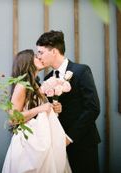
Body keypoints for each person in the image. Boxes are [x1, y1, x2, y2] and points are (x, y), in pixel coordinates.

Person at [36, 30, 101, 173]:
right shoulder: (47, 80)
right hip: (56, 147)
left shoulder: (81, 71)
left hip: (82, 143)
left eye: (40, 52)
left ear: (53, 51)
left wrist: (69, 137)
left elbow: (93, 108)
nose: (38, 56)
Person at [2, 49, 71, 173]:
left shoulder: (36, 85)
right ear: (27, 62)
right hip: (28, 145)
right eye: (36, 57)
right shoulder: (22, 85)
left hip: (41, 139)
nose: (40, 58)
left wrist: (54, 109)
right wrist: (40, 108)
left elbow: (41, 111)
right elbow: (13, 119)